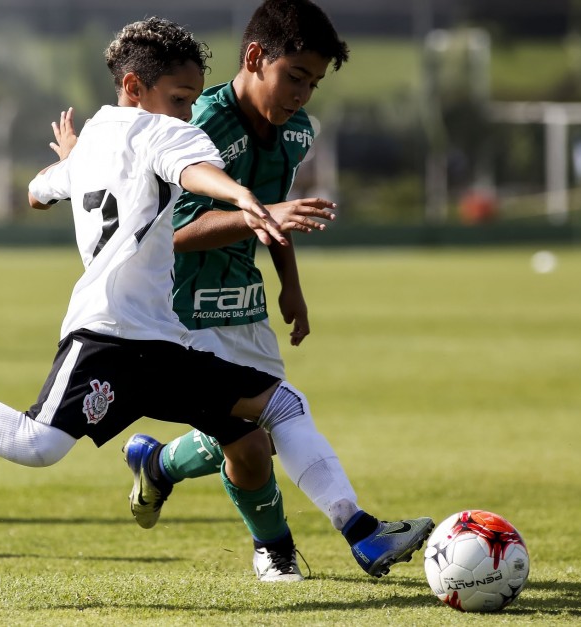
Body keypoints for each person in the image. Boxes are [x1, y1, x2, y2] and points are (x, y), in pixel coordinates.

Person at [0, 17, 430, 583]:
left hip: (159, 342)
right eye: (178, 98)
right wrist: (239, 197)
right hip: (106, 334)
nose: (186, 112)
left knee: (277, 405)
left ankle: (361, 531)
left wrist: (70, 167)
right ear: (135, 89)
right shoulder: (164, 133)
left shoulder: (100, 134)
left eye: (189, 99)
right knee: (37, 445)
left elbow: (41, 191)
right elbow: (190, 170)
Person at [122, 0, 433, 582]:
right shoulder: (199, 123)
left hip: (243, 299)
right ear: (255, 56)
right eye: (295, 76)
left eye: (313, 83)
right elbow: (169, 236)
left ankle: (158, 465)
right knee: (265, 428)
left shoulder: (295, 131)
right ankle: (323, 540)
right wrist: (261, 214)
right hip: (178, 308)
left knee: (243, 439)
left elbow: (275, 216)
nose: (302, 94)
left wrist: (291, 286)